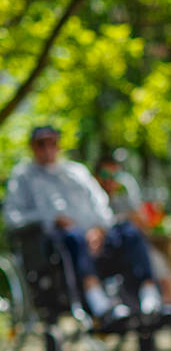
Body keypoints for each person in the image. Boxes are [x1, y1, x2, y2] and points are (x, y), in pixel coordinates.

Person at [3, 125, 162, 329]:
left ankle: (149, 297)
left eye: (52, 142)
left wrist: (100, 229)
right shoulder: (23, 176)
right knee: (72, 236)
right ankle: (98, 301)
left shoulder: (76, 171)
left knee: (130, 232)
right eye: (41, 144)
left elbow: (100, 204)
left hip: (96, 236)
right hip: (57, 243)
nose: (47, 148)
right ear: (32, 147)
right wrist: (51, 219)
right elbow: (12, 217)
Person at [95, 156, 171, 351]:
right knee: (156, 266)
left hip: (138, 248)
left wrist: (136, 216)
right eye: (105, 174)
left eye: (115, 175)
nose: (110, 179)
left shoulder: (124, 196)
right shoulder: (94, 200)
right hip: (116, 253)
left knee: (163, 270)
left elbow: (145, 226)